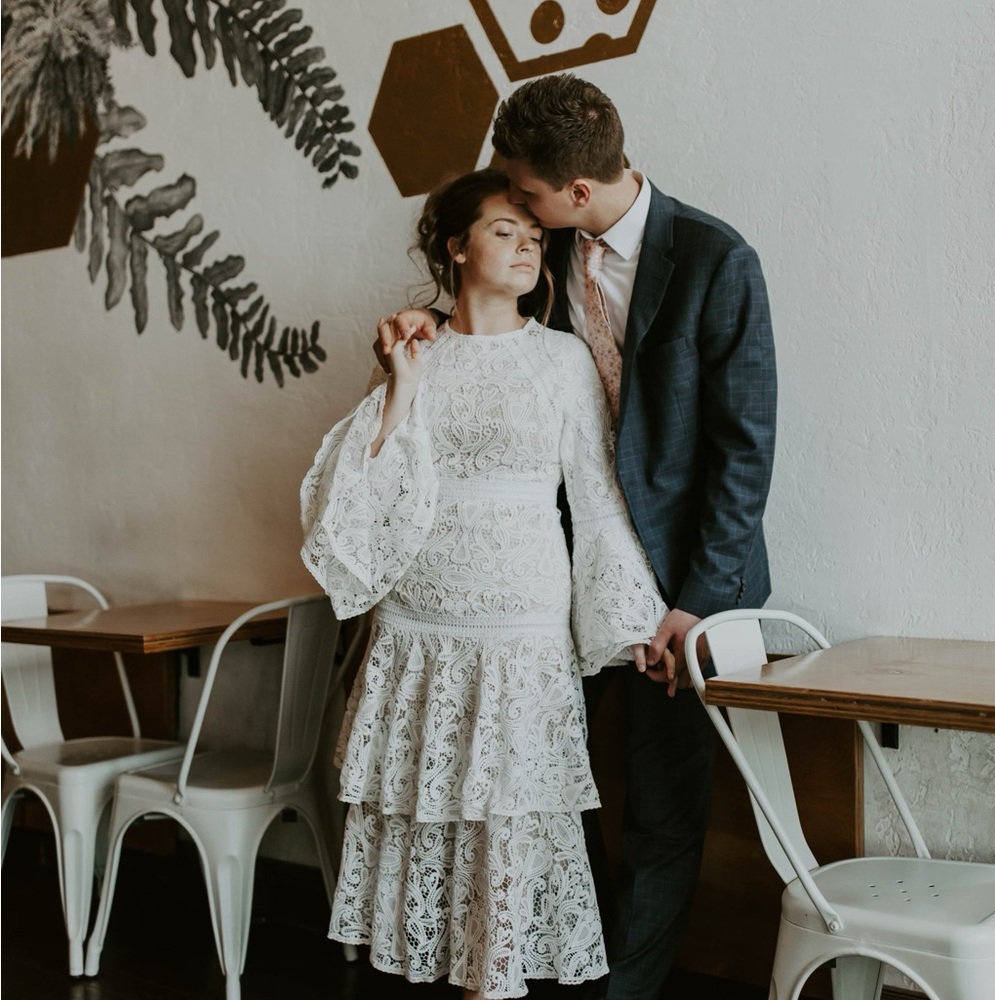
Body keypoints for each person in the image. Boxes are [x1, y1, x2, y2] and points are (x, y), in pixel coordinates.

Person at [375, 75, 778, 1000]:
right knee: (545, 789)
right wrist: (425, 323)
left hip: (683, 586)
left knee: (663, 807)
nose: (517, 209)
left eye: (526, 193)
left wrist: (696, 606)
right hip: (547, 584)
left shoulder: (717, 260)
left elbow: (743, 452)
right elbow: (491, 324)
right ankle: (557, 972)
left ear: (578, 190)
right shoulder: (546, 246)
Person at [300, 167, 667, 1000]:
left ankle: (491, 986)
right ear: (457, 247)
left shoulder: (563, 359)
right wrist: (402, 383)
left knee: (508, 810)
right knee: (426, 809)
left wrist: (632, 616)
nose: (528, 246)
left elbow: (598, 496)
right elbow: (365, 488)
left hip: (520, 622)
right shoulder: (414, 349)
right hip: (417, 621)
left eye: (535, 235)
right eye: (506, 231)